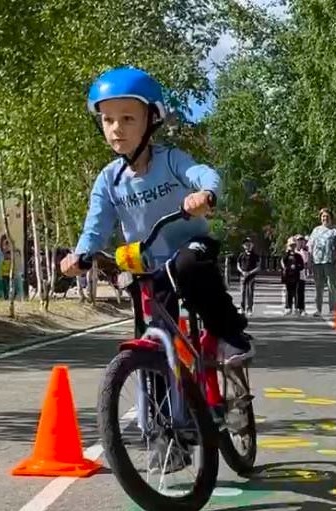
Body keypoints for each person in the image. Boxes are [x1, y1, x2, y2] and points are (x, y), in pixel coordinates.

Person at [59, 66, 253, 366]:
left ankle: (230, 334)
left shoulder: (171, 160)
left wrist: (205, 194)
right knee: (156, 335)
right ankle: (160, 389)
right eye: (108, 119)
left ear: (151, 119)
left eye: (127, 118)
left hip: (190, 247)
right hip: (148, 262)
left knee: (189, 265)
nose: (116, 128)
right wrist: (80, 256)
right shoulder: (108, 180)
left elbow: (203, 173)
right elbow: (95, 227)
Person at [307, 208, 336, 316]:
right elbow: (310, 245)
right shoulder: (316, 230)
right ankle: (318, 309)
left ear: (331, 218)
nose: (325, 218)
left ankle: (333, 309)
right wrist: (309, 260)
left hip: (330, 261)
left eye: (327, 216)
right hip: (317, 261)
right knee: (319, 286)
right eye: (323, 216)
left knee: (332, 286)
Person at [281, 236, 306, 316]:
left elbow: (302, 266)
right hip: (288, 276)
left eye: (294, 245)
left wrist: (296, 267)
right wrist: (286, 268)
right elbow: (282, 263)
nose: (292, 247)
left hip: (296, 276)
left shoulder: (298, 256)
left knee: (297, 292)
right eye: (291, 245)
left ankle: (297, 307)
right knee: (289, 292)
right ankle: (288, 307)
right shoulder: (286, 255)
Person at [236, 237, 260, 314]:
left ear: (252, 245)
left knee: (250, 292)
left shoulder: (255, 256)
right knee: (242, 292)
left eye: (249, 244)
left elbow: (258, 267)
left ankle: (249, 308)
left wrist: (250, 272)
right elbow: (238, 265)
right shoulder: (241, 255)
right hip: (243, 275)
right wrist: (242, 271)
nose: (247, 246)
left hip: (251, 276)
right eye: (245, 244)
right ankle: (242, 308)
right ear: (243, 246)